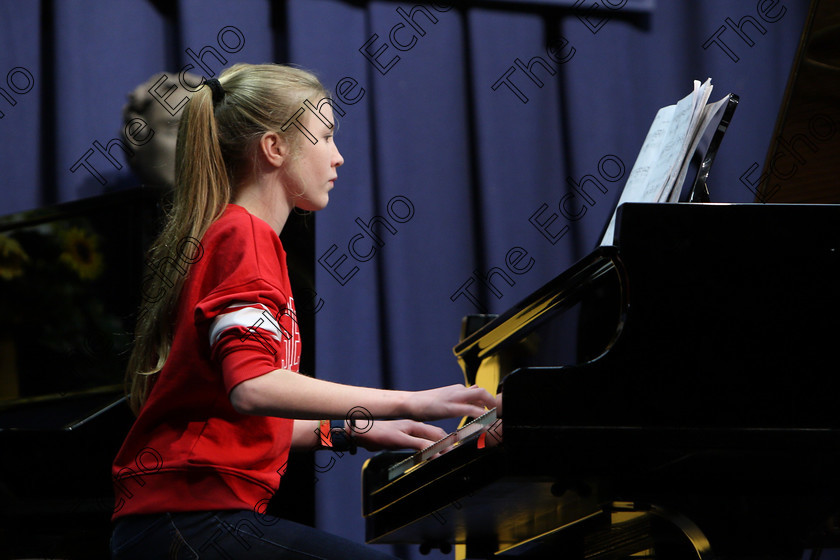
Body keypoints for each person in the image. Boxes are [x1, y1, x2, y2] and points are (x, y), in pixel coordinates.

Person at [109, 63, 497, 559]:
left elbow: (233, 408)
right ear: (274, 148)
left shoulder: (242, 235)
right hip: (187, 522)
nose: (338, 157)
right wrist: (411, 402)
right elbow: (252, 387)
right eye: (326, 136)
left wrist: (355, 429)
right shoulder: (243, 235)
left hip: (175, 522)